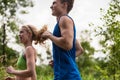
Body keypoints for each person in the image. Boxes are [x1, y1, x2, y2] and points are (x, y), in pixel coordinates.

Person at [41, 0, 83, 80]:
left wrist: (50, 35)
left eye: (54, 3)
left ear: (64, 4)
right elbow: (79, 49)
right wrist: (59, 60)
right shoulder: (63, 23)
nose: (51, 6)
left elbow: (67, 44)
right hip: (63, 76)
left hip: (69, 76)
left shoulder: (64, 19)